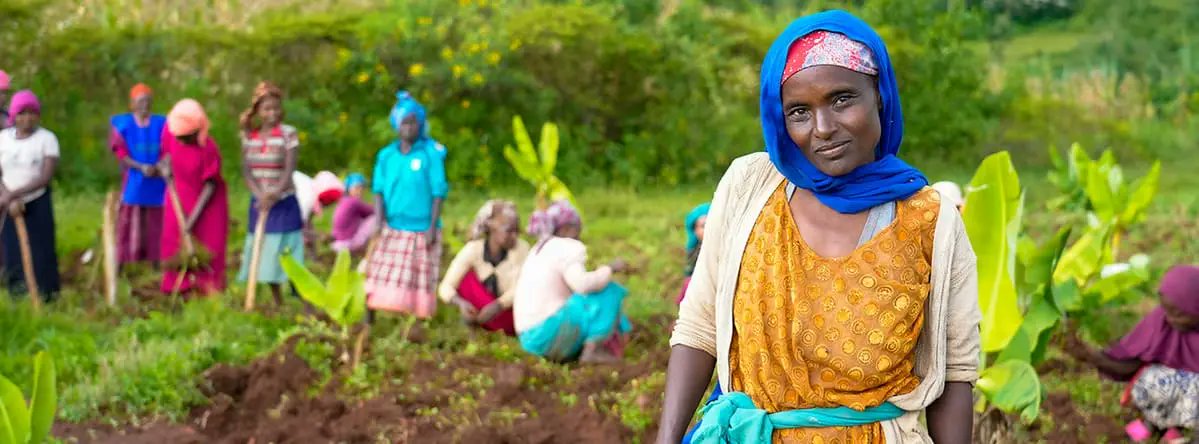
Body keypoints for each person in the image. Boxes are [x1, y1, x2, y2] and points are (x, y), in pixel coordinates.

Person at [657, 11, 981, 444]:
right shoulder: (750, 187)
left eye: (842, 99)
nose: (824, 129)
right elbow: (699, 329)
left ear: (880, 95)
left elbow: (956, 371)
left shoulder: (930, 220)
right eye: (799, 112)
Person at [1063, 265, 1199, 442]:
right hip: (1188, 390)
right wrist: (1091, 356)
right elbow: (1130, 366)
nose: (1170, 319)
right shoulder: (1164, 321)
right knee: (1149, 380)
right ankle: (1161, 423)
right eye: (1167, 311)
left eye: (1179, 314)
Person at [512, 200, 632, 364]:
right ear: (567, 229)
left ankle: (576, 348)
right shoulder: (567, 246)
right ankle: (593, 350)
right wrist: (609, 268)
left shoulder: (538, 249)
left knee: (584, 299)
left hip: (529, 340)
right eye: (577, 230)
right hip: (548, 333)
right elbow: (583, 285)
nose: (579, 236)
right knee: (609, 291)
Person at [363, 91, 448, 319]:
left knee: (418, 277)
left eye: (413, 123)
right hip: (393, 224)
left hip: (421, 227)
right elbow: (378, 191)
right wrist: (378, 222)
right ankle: (368, 318)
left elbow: (438, 192)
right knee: (378, 271)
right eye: (404, 123)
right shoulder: (386, 156)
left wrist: (431, 226)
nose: (409, 128)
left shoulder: (430, 154)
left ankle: (415, 323)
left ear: (420, 125)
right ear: (396, 125)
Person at [236, 82, 303, 306]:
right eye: (266, 109)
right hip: (260, 204)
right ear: (258, 112)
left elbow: (289, 168)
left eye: (275, 108)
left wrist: (274, 193)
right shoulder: (250, 137)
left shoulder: (288, 134)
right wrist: (259, 195)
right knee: (264, 253)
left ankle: (303, 298)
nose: (272, 113)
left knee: (288, 251)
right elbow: (247, 171)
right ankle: (277, 301)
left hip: (283, 202)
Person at [159, 99, 229, 297]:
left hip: (207, 204)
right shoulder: (169, 132)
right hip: (177, 196)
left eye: (186, 137)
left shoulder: (208, 148)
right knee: (175, 241)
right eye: (178, 137)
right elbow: (165, 155)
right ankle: (178, 288)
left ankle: (208, 290)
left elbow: (211, 185)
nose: (180, 141)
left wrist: (192, 219)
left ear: (197, 131)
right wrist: (165, 167)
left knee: (208, 245)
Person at [0, 90, 61, 300]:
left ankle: (47, 295)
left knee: (42, 249)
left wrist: (13, 195)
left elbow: (45, 177)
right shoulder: (3, 139)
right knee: (12, 249)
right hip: (8, 202)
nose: (27, 118)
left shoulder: (47, 139)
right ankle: (17, 294)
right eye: (22, 113)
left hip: (37, 200)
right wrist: (6, 195)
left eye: (32, 113)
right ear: (13, 115)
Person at [438, 199, 529, 335]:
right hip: (480, 312)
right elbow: (445, 287)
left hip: (510, 314)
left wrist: (498, 305)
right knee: (466, 278)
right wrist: (461, 303)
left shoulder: (521, 249)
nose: (514, 236)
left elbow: (522, 288)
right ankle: (473, 327)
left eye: (517, 231)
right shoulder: (474, 249)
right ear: (491, 227)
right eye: (509, 231)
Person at [109, 83, 168, 266]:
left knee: (156, 220)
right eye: (141, 101)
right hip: (134, 178)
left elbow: (168, 148)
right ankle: (128, 260)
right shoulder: (124, 124)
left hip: (157, 178)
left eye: (148, 101)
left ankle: (155, 259)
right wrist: (140, 167)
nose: (145, 105)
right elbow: (120, 153)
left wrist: (159, 165)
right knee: (130, 218)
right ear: (132, 104)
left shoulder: (161, 123)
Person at [331, 173, 376, 255]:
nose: (360, 190)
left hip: (338, 242)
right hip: (347, 243)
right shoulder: (354, 201)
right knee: (376, 218)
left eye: (361, 187)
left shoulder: (343, 201)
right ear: (349, 189)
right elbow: (373, 211)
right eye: (356, 187)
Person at [677, 202, 710, 304]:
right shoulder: (695, 251)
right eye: (703, 225)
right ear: (695, 231)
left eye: (711, 223)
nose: (708, 228)